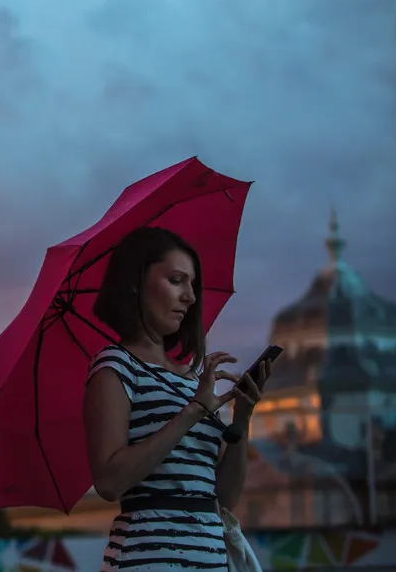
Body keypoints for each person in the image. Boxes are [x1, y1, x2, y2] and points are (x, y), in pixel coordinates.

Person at [84, 226, 272, 570]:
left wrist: (242, 416)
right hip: (148, 559)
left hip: (210, 558)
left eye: (192, 284)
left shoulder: (194, 379)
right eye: (176, 280)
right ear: (136, 282)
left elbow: (224, 498)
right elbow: (109, 481)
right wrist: (193, 411)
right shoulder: (115, 366)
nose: (190, 297)